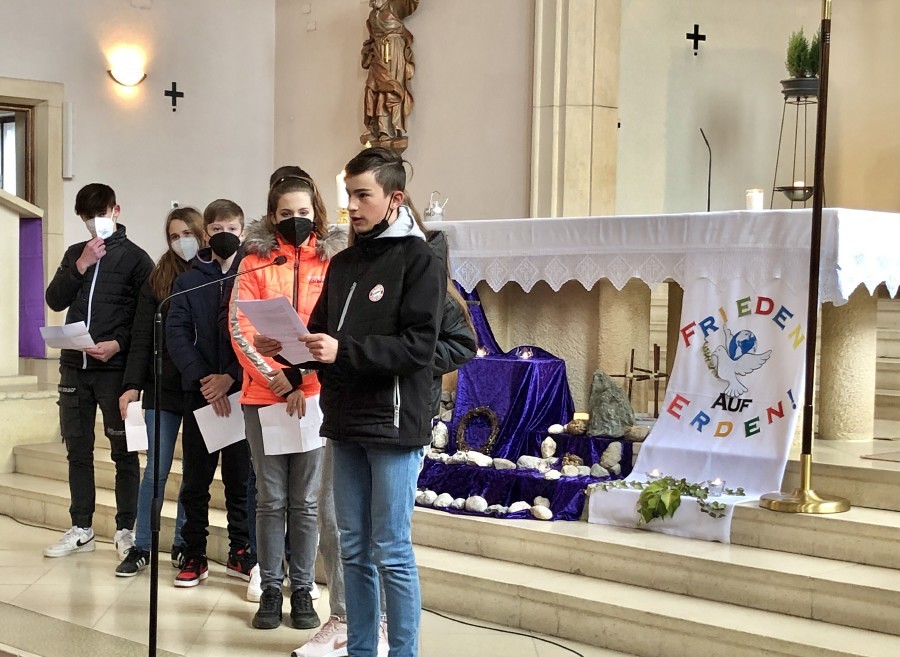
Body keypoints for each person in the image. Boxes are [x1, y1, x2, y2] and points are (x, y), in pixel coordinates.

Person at [288, 201, 474, 657]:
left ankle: (400, 646)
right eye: (349, 197)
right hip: (348, 416)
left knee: (390, 546)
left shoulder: (419, 267)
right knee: (352, 545)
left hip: (396, 416)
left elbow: (454, 344)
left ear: (394, 204)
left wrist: (409, 368)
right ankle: (360, 646)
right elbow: (331, 340)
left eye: (362, 197)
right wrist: (290, 350)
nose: (352, 208)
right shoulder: (346, 267)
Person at [230, 173, 345, 630]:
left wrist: (303, 378)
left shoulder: (333, 261)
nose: (295, 219)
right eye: (285, 213)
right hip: (263, 395)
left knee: (306, 502)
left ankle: (302, 588)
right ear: (272, 216)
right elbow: (240, 328)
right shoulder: (254, 262)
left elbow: (337, 331)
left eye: (302, 212)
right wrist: (277, 379)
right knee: (270, 498)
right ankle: (270, 589)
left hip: (315, 396)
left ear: (316, 212)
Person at [44, 183, 154, 559]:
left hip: (119, 372)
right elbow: (54, 299)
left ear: (116, 210)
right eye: (88, 217)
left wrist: (118, 344)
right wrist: (81, 265)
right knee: (78, 449)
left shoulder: (138, 260)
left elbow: (145, 321)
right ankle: (82, 527)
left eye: (101, 214)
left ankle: (126, 530)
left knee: (126, 451)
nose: (96, 222)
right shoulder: (75, 253)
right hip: (74, 367)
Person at [166, 199, 254, 587]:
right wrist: (205, 378)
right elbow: (176, 333)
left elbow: (255, 333)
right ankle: (194, 553)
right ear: (206, 234)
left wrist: (230, 378)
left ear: (243, 232)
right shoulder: (188, 280)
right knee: (195, 481)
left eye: (231, 229)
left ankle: (241, 551)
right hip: (200, 393)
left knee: (241, 480)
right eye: (217, 229)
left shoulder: (253, 274)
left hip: (241, 393)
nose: (224, 235)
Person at [114, 207, 206, 576]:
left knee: (194, 473)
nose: (181, 241)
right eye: (174, 236)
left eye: (187, 233)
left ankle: (183, 542)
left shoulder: (213, 273)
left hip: (201, 387)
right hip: (161, 386)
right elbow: (141, 337)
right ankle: (142, 545)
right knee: (156, 469)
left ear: (201, 233)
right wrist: (131, 385)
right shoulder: (158, 278)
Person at [361, 0, 420, 149]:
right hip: (378, 52)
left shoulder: (394, 5)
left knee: (389, 90)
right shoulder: (373, 14)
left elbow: (410, 3)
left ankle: (389, 129)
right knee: (372, 89)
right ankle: (375, 127)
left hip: (393, 50)